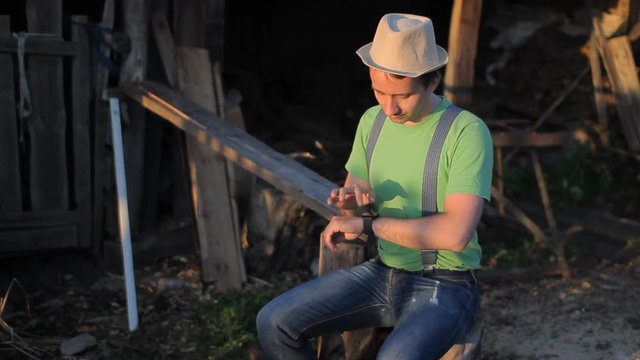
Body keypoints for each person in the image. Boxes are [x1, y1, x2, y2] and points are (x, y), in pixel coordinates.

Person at [256, 13, 493, 360]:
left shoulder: (466, 132)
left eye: (402, 95)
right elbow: (355, 212)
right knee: (274, 321)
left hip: (445, 284)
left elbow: (455, 233)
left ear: (433, 82)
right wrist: (351, 206)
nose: (389, 106)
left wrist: (368, 223)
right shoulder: (372, 122)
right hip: (383, 273)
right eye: (379, 91)